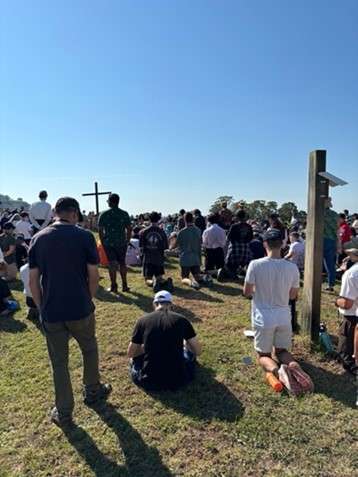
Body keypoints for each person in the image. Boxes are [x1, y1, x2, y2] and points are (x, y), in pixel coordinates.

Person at [29, 197, 111, 427]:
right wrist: (89, 298)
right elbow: (93, 276)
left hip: (52, 310)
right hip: (80, 307)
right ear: (74, 213)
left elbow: (34, 281)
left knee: (59, 363)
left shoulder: (38, 238)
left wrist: (41, 307)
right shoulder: (84, 236)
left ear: (55, 212)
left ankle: (64, 411)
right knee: (89, 348)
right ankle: (93, 389)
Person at [243, 229, 312, 393]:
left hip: (263, 315)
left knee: (264, 355)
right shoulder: (292, 268)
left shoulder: (255, 264)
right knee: (281, 351)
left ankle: (278, 372)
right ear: (283, 244)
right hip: (283, 315)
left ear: (264, 244)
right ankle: (293, 367)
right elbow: (293, 295)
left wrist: (259, 293)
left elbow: (246, 292)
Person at [128, 290, 201, 390]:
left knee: (134, 360)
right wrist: (185, 345)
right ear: (171, 305)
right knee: (188, 354)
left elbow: (131, 353)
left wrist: (148, 347)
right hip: (180, 379)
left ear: (154, 304)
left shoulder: (142, 320)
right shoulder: (182, 320)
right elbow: (197, 351)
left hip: (148, 381)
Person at [98, 193, 132, 294]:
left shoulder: (104, 214)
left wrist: (103, 241)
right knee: (122, 263)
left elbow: (100, 230)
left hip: (109, 243)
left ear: (110, 201)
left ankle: (113, 286)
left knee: (112, 264)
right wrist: (128, 240)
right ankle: (125, 285)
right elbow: (129, 229)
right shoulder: (124, 214)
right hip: (121, 242)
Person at [335, 237, 358, 375]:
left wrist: (337, 301)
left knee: (345, 355)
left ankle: (352, 366)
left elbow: (347, 303)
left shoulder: (352, 274)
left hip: (352, 318)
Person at [139, 212, 172, 291]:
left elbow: (141, 247)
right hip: (159, 258)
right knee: (159, 277)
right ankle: (164, 282)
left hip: (148, 258)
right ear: (158, 219)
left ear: (149, 219)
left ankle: (153, 282)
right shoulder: (162, 232)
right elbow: (165, 247)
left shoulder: (143, 232)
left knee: (147, 279)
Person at [176, 212, 203, 289]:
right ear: (193, 219)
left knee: (184, 278)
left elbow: (175, 245)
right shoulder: (198, 230)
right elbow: (200, 242)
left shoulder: (181, 232)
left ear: (184, 220)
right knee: (197, 276)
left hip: (185, 258)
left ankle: (191, 283)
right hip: (195, 258)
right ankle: (204, 278)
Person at [224, 209, 253, 277]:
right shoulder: (249, 226)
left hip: (235, 249)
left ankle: (233, 273)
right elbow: (251, 238)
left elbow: (229, 238)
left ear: (237, 217)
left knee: (229, 263)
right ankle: (240, 270)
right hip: (246, 250)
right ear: (245, 217)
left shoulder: (234, 226)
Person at [323, 197, 339, 291]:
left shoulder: (319, 212)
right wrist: (338, 243)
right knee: (330, 264)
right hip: (332, 240)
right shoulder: (335, 214)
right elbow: (337, 229)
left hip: (321, 240)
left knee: (317, 262)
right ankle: (331, 284)